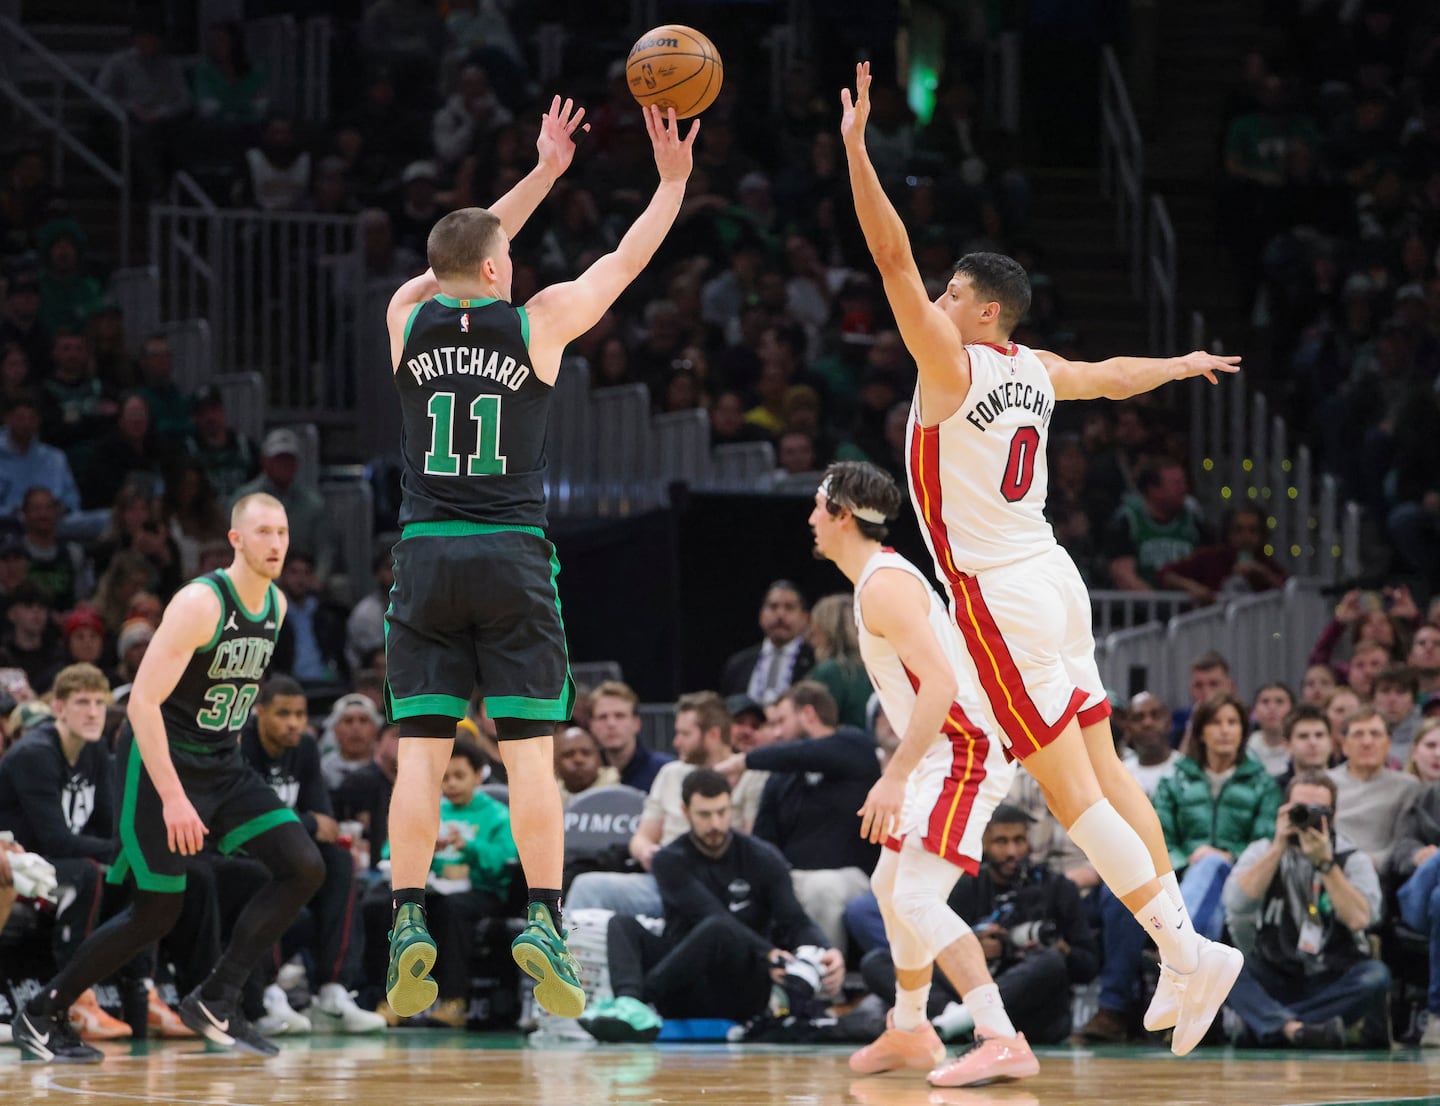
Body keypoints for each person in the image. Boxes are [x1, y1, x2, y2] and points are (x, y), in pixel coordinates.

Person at [840, 60, 1244, 1057]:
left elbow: (890, 259)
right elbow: (1109, 377)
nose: (933, 300)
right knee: (1108, 772)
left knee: (1069, 795)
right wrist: (1183, 365)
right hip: (1060, 583)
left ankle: (1187, 950)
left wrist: (855, 152)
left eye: (950, 294)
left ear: (980, 311)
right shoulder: (1035, 369)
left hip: (1001, 597)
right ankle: (1188, 950)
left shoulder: (953, 360)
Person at [379, 95, 696, 1023]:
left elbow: (463, 251)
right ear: (494, 270)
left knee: (418, 762)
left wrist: (542, 176)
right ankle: (546, 922)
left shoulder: (406, 316)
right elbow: (627, 259)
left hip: (426, 557)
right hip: (511, 557)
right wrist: (670, 183)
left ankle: (406, 924)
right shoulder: (541, 322)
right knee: (530, 761)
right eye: (505, 258)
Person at [12, 493, 325, 1062]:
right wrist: (177, 797)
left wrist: (220, 778)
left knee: (304, 865)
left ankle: (217, 997)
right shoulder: (201, 603)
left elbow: (234, 696)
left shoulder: (276, 606)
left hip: (220, 761)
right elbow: (142, 704)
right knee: (157, 909)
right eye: (263, 532)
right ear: (236, 539)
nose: (276, 543)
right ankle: (43, 1012)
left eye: (281, 532)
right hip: (156, 760)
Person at [806, 460, 1035, 1087]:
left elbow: (940, 683)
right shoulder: (878, 580)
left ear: (842, 515)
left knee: (913, 895)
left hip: (963, 748)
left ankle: (1000, 1035)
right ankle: (910, 1027)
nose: (810, 519)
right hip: (944, 748)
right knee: (889, 887)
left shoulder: (883, 584)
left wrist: (894, 775)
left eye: (817, 506)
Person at [578, 768, 843, 1042]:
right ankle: (629, 1004)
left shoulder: (762, 857)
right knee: (622, 924)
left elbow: (795, 919)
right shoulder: (669, 860)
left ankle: (642, 1005)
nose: (716, 823)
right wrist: (768, 952)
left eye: (722, 812)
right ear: (685, 811)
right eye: (705, 815)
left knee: (718, 929)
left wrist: (827, 950)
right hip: (681, 981)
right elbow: (708, 913)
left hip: (740, 983)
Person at [240, 675, 386, 1033]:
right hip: (241, 853)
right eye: (282, 714)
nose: (293, 723)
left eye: (300, 714)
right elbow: (248, 818)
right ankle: (268, 993)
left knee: (337, 862)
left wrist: (299, 823)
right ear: (259, 713)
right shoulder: (242, 748)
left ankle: (333, 992)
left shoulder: (305, 748)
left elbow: (327, 822)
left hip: (288, 851)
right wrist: (303, 821)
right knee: (266, 871)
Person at [1221, 771, 1389, 1049]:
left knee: (1375, 976)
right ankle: (1301, 1029)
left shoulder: (1351, 859)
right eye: (1299, 809)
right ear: (1284, 810)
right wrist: (1278, 847)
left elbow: (1361, 919)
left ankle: (1270, 1026)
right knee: (1223, 968)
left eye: (1317, 811)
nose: (1307, 818)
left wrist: (1326, 865)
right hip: (1277, 971)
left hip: (1331, 975)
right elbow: (1236, 903)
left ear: (1332, 817)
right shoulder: (1262, 850)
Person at [719, 581, 815, 704]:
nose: (780, 614)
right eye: (773, 606)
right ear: (761, 614)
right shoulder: (738, 664)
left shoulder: (814, 662)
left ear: (805, 618)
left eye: (789, 607)